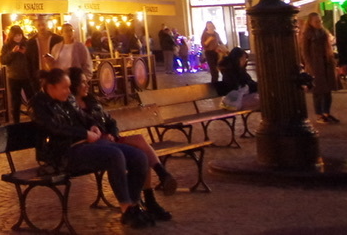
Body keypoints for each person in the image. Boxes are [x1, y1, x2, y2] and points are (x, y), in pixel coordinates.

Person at [30, 68, 157, 229]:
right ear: (51, 87)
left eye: (69, 87)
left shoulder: (68, 98)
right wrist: (84, 133)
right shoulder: (39, 104)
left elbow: (83, 117)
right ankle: (126, 208)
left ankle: (134, 204)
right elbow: (54, 128)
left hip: (86, 145)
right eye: (65, 87)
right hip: (62, 153)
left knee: (138, 156)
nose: (69, 91)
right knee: (114, 155)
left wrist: (93, 125)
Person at [70, 69, 176, 214]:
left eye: (87, 82)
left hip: (110, 139)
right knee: (138, 150)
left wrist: (113, 134)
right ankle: (154, 189)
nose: (87, 85)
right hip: (97, 145)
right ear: (74, 85)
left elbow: (111, 121)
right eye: (83, 82)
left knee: (139, 142)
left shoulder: (91, 101)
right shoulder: (71, 107)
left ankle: (156, 187)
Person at [300, 12, 339, 123]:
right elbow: (305, 52)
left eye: (320, 21)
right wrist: (310, 65)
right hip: (316, 65)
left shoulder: (324, 33)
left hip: (327, 63)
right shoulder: (307, 35)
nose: (319, 23)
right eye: (316, 21)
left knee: (328, 90)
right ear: (310, 22)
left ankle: (326, 113)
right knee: (317, 91)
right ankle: (319, 114)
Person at [1, 25, 31, 123]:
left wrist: (25, 53)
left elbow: (32, 58)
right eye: (15, 36)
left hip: (27, 75)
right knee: (15, 101)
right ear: (11, 36)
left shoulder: (27, 43)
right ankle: (16, 122)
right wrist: (12, 52)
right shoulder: (7, 45)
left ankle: (34, 119)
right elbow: (3, 60)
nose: (18, 37)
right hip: (13, 77)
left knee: (31, 99)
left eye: (19, 35)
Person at [200, 21, 225, 86]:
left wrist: (224, 49)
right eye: (208, 26)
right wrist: (209, 40)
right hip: (209, 53)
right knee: (213, 70)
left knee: (220, 68)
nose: (210, 27)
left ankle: (220, 83)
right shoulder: (205, 34)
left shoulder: (216, 34)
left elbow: (220, 42)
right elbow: (203, 45)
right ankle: (214, 84)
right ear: (207, 27)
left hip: (216, 52)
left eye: (211, 26)